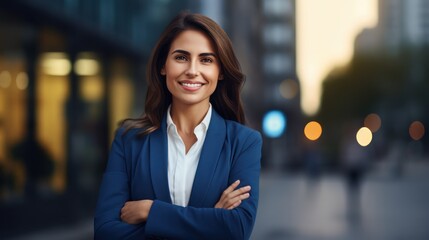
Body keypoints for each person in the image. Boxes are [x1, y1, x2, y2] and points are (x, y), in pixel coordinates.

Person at [94, 12, 262, 239]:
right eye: (181, 57)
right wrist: (211, 219)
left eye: (206, 60)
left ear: (220, 71)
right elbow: (106, 232)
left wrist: (150, 210)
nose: (193, 70)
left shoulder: (243, 142)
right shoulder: (129, 139)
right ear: (163, 65)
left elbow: (237, 228)